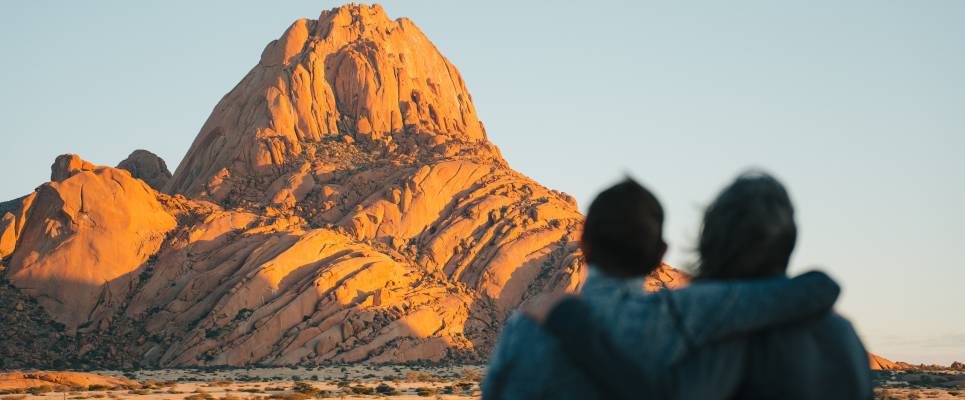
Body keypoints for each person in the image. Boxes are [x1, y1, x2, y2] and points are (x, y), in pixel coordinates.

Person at [482, 177, 846, 399]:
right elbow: (817, 289)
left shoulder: (524, 331)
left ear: (584, 243)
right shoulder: (681, 317)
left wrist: (565, 316)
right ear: (660, 256)